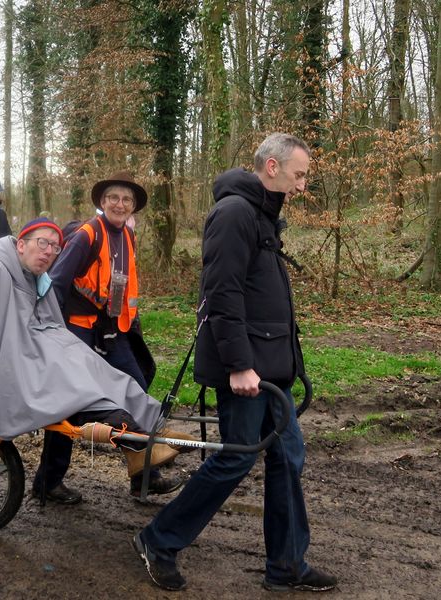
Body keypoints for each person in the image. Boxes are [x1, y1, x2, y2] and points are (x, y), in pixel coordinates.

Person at [132, 133, 337, 593]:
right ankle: (158, 540)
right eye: (298, 175)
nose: (302, 186)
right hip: (245, 371)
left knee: (287, 457)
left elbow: (263, 295)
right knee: (235, 459)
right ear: (271, 167)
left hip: (271, 369)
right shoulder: (233, 214)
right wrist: (240, 365)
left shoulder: (262, 217)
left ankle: (286, 565)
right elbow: (221, 295)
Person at [0, 218, 185, 482]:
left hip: (34, 347)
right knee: (71, 381)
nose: (49, 252)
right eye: (42, 243)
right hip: (11, 359)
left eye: (55, 247)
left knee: (96, 367)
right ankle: (132, 438)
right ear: (21, 244)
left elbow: (46, 322)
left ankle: (151, 426)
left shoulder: (36, 279)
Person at [34, 171, 180, 504]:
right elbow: (55, 282)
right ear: (102, 202)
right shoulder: (87, 235)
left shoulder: (127, 236)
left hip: (111, 331)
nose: (120, 204)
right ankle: (48, 482)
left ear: (133, 208)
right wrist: (55, 334)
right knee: (69, 404)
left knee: (136, 387)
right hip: (77, 331)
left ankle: (145, 475)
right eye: (113, 197)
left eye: (126, 200)